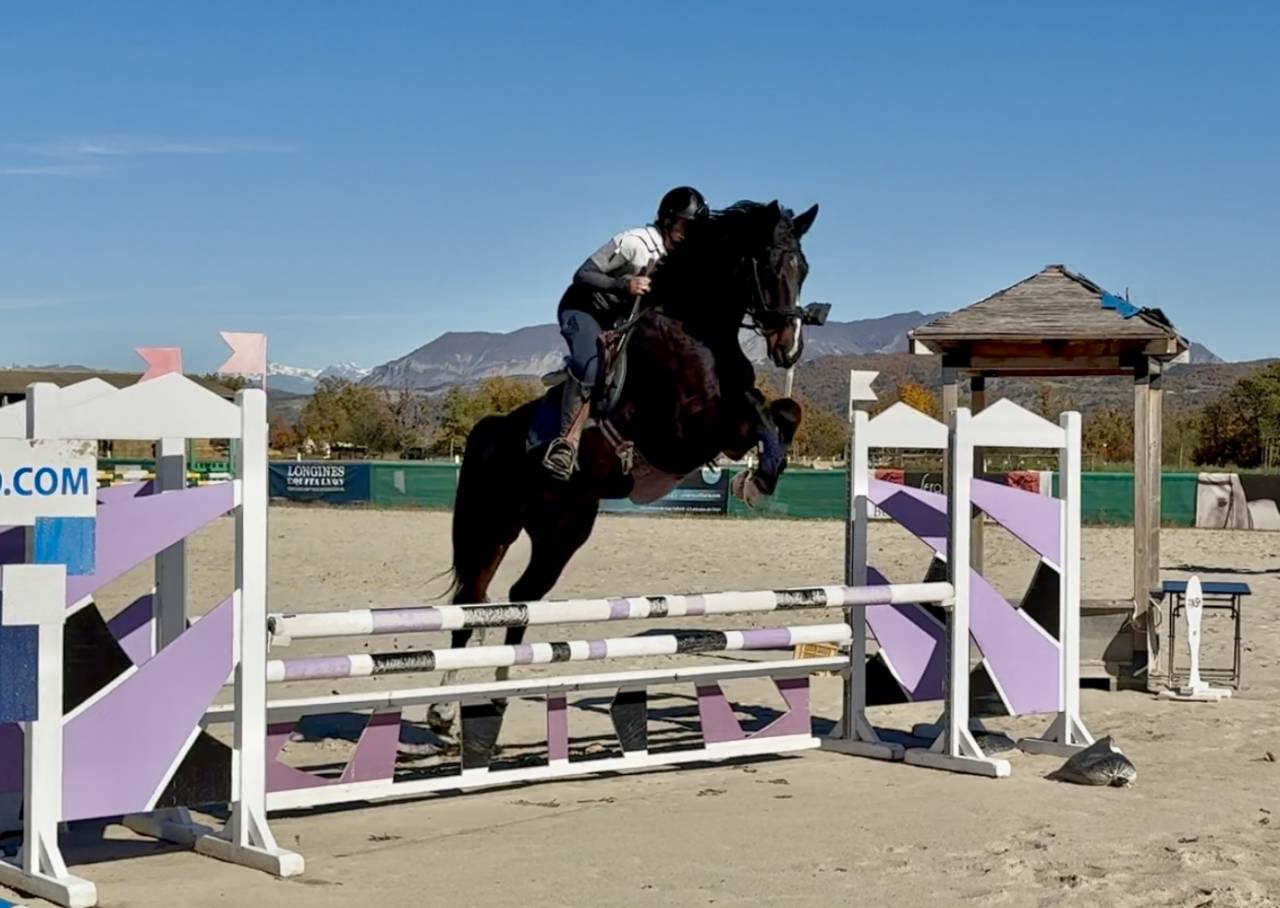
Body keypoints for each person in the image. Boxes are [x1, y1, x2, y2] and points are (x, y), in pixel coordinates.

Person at [542, 186, 710, 480]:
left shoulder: (679, 259)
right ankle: (565, 444)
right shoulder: (634, 242)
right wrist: (624, 285)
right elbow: (582, 274)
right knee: (592, 364)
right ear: (669, 220)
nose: (689, 233)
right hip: (584, 309)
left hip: (621, 318)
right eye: (686, 225)